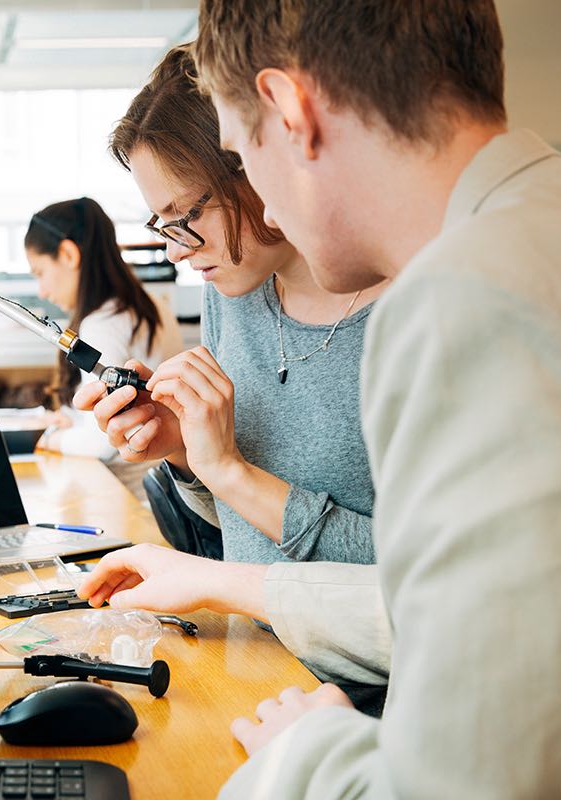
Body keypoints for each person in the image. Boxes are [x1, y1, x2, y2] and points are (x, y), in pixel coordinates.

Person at [191, 0, 561, 796]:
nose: (260, 201)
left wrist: (306, 753)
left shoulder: (461, 300)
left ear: (290, 110)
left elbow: (474, 784)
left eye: (240, 151)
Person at [71, 44, 386, 684]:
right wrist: (185, 451)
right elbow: (248, 535)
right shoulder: (232, 292)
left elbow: (422, 579)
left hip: (364, 695)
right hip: (252, 660)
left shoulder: (405, 315)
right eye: (162, 226)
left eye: (188, 216)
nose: (182, 250)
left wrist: (231, 471)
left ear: (257, 166)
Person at [26, 197, 183, 493]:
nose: (42, 291)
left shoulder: (101, 323)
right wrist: (72, 424)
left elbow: (104, 441)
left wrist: (49, 438)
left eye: (40, 272)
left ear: (69, 254)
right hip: (170, 487)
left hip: (133, 501)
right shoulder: (148, 305)